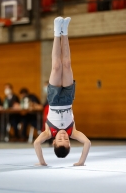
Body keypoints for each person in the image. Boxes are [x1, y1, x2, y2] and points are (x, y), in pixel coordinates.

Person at [34, 17, 91, 166]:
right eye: (66, 140)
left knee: (56, 67)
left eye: (60, 139)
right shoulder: (73, 132)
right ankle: (64, 31)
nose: (64, 136)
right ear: (70, 142)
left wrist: (42, 162)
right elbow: (87, 143)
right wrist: (81, 162)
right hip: (67, 99)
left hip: (53, 100)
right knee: (66, 64)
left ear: (53, 142)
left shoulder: (48, 133)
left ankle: (56, 33)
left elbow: (36, 144)